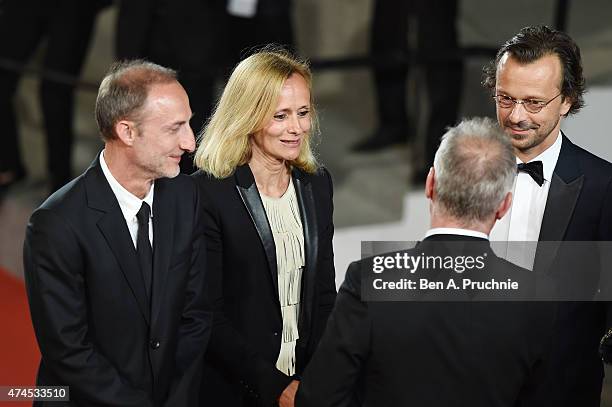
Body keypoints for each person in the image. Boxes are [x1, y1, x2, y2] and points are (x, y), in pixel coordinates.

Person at [296, 117, 557, 406]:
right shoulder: (535, 297)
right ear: (504, 205)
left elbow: (317, 399)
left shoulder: (370, 280)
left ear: (430, 183)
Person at [23, 60, 211, 406]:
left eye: (189, 124)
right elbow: (70, 352)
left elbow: (195, 314)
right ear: (127, 132)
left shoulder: (186, 197)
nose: (190, 143)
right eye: (175, 128)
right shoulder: (56, 224)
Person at [193, 48, 336, 407]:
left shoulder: (317, 184)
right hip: (235, 390)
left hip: (305, 385)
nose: (296, 128)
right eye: (280, 116)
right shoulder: (208, 193)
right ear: (249, 116)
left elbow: (323, 296)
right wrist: (273, 386)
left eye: (303, 113)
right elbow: (207, 312)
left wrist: (320, 378)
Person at [483, 25, 612, 406]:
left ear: (568, 100)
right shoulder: (461, 170)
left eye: (534, 103)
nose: (516, 116)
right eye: (504, 98)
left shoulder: (602, 188)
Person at [0, 0, 109, 194]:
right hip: (23, 6)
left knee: (54, 92)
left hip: (73, 7)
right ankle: (8, 166)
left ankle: (60, 182)